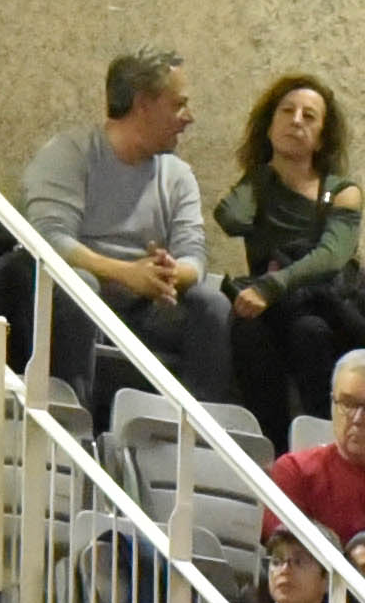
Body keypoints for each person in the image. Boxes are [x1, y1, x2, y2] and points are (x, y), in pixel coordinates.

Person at [17, 48, 227, 408]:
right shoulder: (69, 153)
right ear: (143, 104)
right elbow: (48, 239)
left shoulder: (178, 176)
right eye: (178, 105)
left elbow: (195, 254)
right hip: (73, 293)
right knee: (79, 286)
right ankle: (71, 428)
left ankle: (197, 438)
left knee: (212, 304)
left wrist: (171, 273)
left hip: (147, 303)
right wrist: (127, 273)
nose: (188, 118)